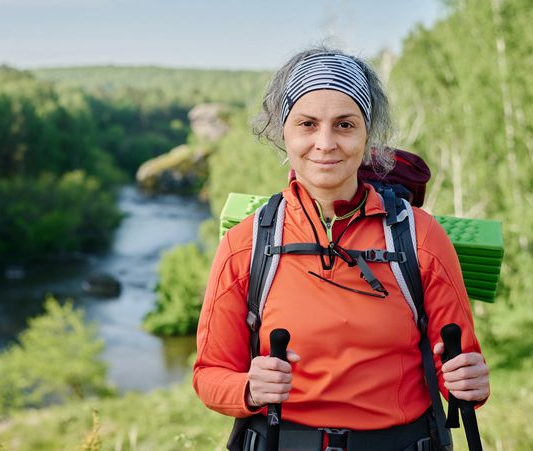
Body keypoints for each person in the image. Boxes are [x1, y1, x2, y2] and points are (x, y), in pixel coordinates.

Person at [192, 48, 489, 451]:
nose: (325, 143)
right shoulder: (246, 244)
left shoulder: (420, 237)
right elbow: (210, 374)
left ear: (368, 136)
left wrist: (469, 381)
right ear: (285, 133)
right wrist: (249, 387)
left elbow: (461, 373)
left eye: (345, 125)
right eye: (307, 124)